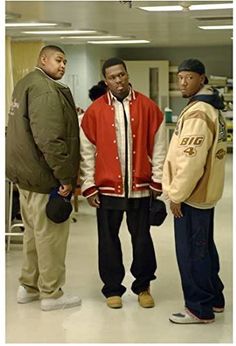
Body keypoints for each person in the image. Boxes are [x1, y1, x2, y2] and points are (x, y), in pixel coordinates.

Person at [80, 57, 166, 309]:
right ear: (105, 81)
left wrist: (157, 179)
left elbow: (159, 147)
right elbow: (87, 151)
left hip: (140, 188)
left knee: (142, 240)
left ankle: (143, 286)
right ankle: (112, 289)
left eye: (121, 75)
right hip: (107, 189)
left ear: (127, 75)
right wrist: (88, 184)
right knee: (108, 240)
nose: (118, 80)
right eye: (112, 77)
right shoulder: (94, 111)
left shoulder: (148, 107)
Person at [6, 45, 81, 311]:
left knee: (33, 236)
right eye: (58, 60)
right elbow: (50, 139)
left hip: (25, 179)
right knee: (50, 238)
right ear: (43, 59)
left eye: (65, 62)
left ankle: (29, 287)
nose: (62, 66)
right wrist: (65, 178)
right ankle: (51, 293)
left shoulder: (25, 83)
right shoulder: (46, 90)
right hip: (44, 179)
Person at [162, 58, 227, 324]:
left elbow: (190, 161)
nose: (183, 83)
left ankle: (199, 308)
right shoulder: (211, 108)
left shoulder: (199, 113)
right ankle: (215, 298)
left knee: (191, 252)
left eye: (189, 78)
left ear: (202, 79)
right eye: (180, 78)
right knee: (205, 249)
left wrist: (176, 195)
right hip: (205, 195)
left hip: (192, 195)